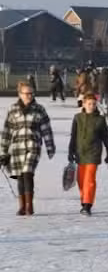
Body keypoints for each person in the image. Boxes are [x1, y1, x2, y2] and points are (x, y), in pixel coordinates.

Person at [0, 82, 56, 216]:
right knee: (19, 176)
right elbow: (7, 131)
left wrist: (50, 147)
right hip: (17, 148)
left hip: (33, 146)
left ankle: (29, 205)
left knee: (27, 173)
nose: (29, 96)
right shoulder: (12, 109)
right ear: (20, 94)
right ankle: (21, 206)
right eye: (26, 93)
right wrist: (3, 151)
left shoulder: (39, 109)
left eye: (31, 93)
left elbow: (46, 129)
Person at [68, 93, 108, 216]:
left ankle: (88, 204)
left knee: (89, 179)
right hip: (80, 153)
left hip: (94, 153)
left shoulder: (100, 120)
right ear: (84, 104)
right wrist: (70, 151)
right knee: (81, 180)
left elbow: (106, 138)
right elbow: (73, 136)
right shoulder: (77, 118)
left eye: (93, 104)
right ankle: (84, 200)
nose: (91, 106)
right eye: (89, 104)